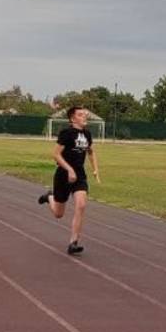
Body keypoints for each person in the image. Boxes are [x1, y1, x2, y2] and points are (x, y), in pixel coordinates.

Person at [36, 105, 100, 255]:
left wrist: (95, 168)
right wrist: (69, 169)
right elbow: (56, 155)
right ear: (73, 118)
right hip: (63, 175)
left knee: (81, 205)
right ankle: (49, 197)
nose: (85, 117)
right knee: (58, 214)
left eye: (85, 114)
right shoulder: (66, 133)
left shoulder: (87, 134)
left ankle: (73, 242)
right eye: (81, 115)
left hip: (80, 176)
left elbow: (91, 152)